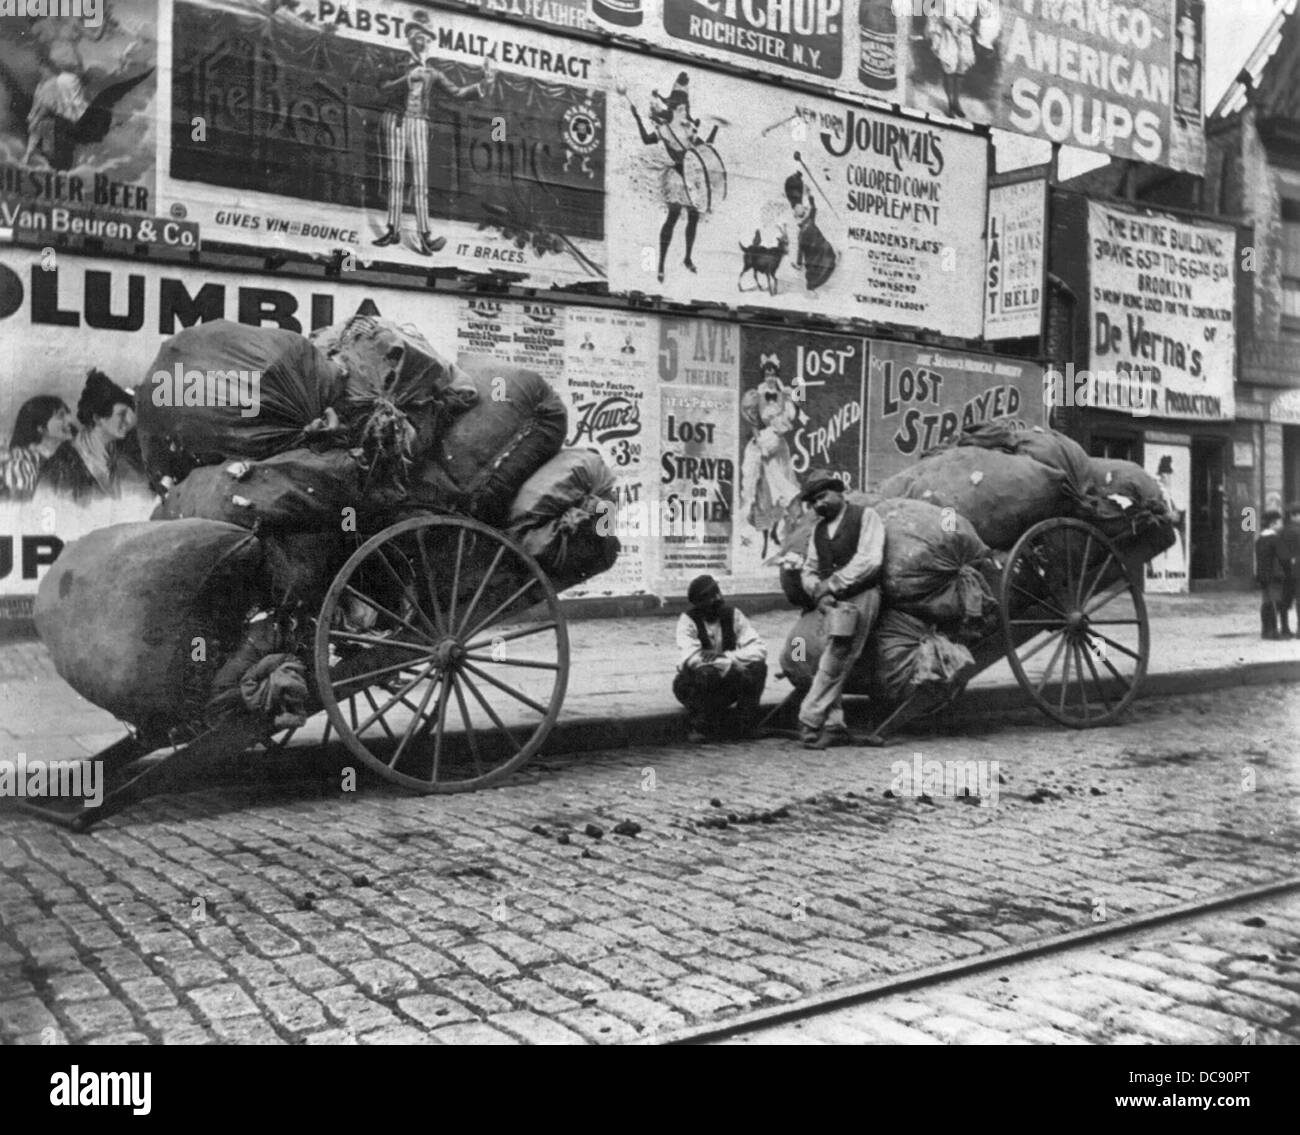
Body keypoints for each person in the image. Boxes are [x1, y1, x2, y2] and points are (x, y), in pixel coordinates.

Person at [372, 13, 493, 256]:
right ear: (410, 37)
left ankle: (424, 234)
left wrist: (483, 84)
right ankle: (393, 229)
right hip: (395, 121)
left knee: (420, 181)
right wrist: (406, 79)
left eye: (426, 36)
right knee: (395, 179)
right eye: (418, 35)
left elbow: (457, 92)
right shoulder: (395, 63)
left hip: (418, 124)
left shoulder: (432, 72)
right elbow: (382, 89)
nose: (423, 40)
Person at [798, 474, 885, 749]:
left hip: (861, 595)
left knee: (840, 653)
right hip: (831, 601)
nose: (819, 505)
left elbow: (870, 560)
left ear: (840, 492)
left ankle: (808, 717)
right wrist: (816, 590)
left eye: (823, 497)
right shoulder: (819, 530)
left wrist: (833, 585)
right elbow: (809, 568)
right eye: (813, 502)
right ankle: (834, 724)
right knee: (828, 653)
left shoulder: (865, 516)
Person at [627, 71, 718, 284]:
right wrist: (637, 118)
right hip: (677, 177)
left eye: (686, 106)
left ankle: (687, 257)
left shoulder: (689, 129)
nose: (685, 109)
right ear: (677, 109)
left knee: (693, 217)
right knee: (673, 217)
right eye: (682, 107)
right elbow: (647, 140)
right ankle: (660, 265)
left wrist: (715, 131)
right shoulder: (665, 130)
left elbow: (703, 149)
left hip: (690, 177)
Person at [673, 575, 767, 744]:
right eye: (710, 596)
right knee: (706, 672)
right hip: (692, 688)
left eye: (717, 592)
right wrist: (729, 664)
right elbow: (693, 658)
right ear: (698, 603)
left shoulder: (733, 615)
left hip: (727, 683)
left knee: (759, 667)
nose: (717, 598)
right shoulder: (687, 621)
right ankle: (700, 726)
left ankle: (745, 724)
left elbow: (759, 648)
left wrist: (727, 656)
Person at [36, 370, 143, 502]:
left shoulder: (114, 452)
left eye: (129, 413)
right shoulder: (63, 465)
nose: (128, 420)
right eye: (121, 415)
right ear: (98, 418)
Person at [739, 352, 803, 561]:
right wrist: (760, 442)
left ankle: (778, 533)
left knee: (784, 490)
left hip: (779, 448)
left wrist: (794, 395)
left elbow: (794, 414)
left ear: (776, 374)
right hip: (765, 447)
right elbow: (755, 423)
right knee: (765, 493)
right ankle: (764, 540)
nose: (769, 377)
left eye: (772, 373)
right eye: (766, 373)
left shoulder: (785, 392)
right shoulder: (758, 394)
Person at [921, 0, 1001, 119]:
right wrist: (953, 24)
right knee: (949, 66)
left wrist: (982, 32)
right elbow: (942, 14)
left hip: (964, 34)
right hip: (948, 33)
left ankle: (956, 102)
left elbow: (988, 11)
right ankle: (950, 103)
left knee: (961, 67)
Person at [1, 395, 76, 500]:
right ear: (40, 427)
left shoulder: (50, 459)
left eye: (68, 414)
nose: (69, 420)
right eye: (61, 415)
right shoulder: (22, 464)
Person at [1255, 510, 1291, 639]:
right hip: (1275, 576)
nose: (1281, 524)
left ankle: (1266, 630)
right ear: (1273, 523)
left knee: (1266, 602)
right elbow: (1285, 557)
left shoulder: (1259, 539)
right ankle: (1275, 631)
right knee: (1276, 602)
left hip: (1263, 575)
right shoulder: (1276, 539)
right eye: (1279, 522)